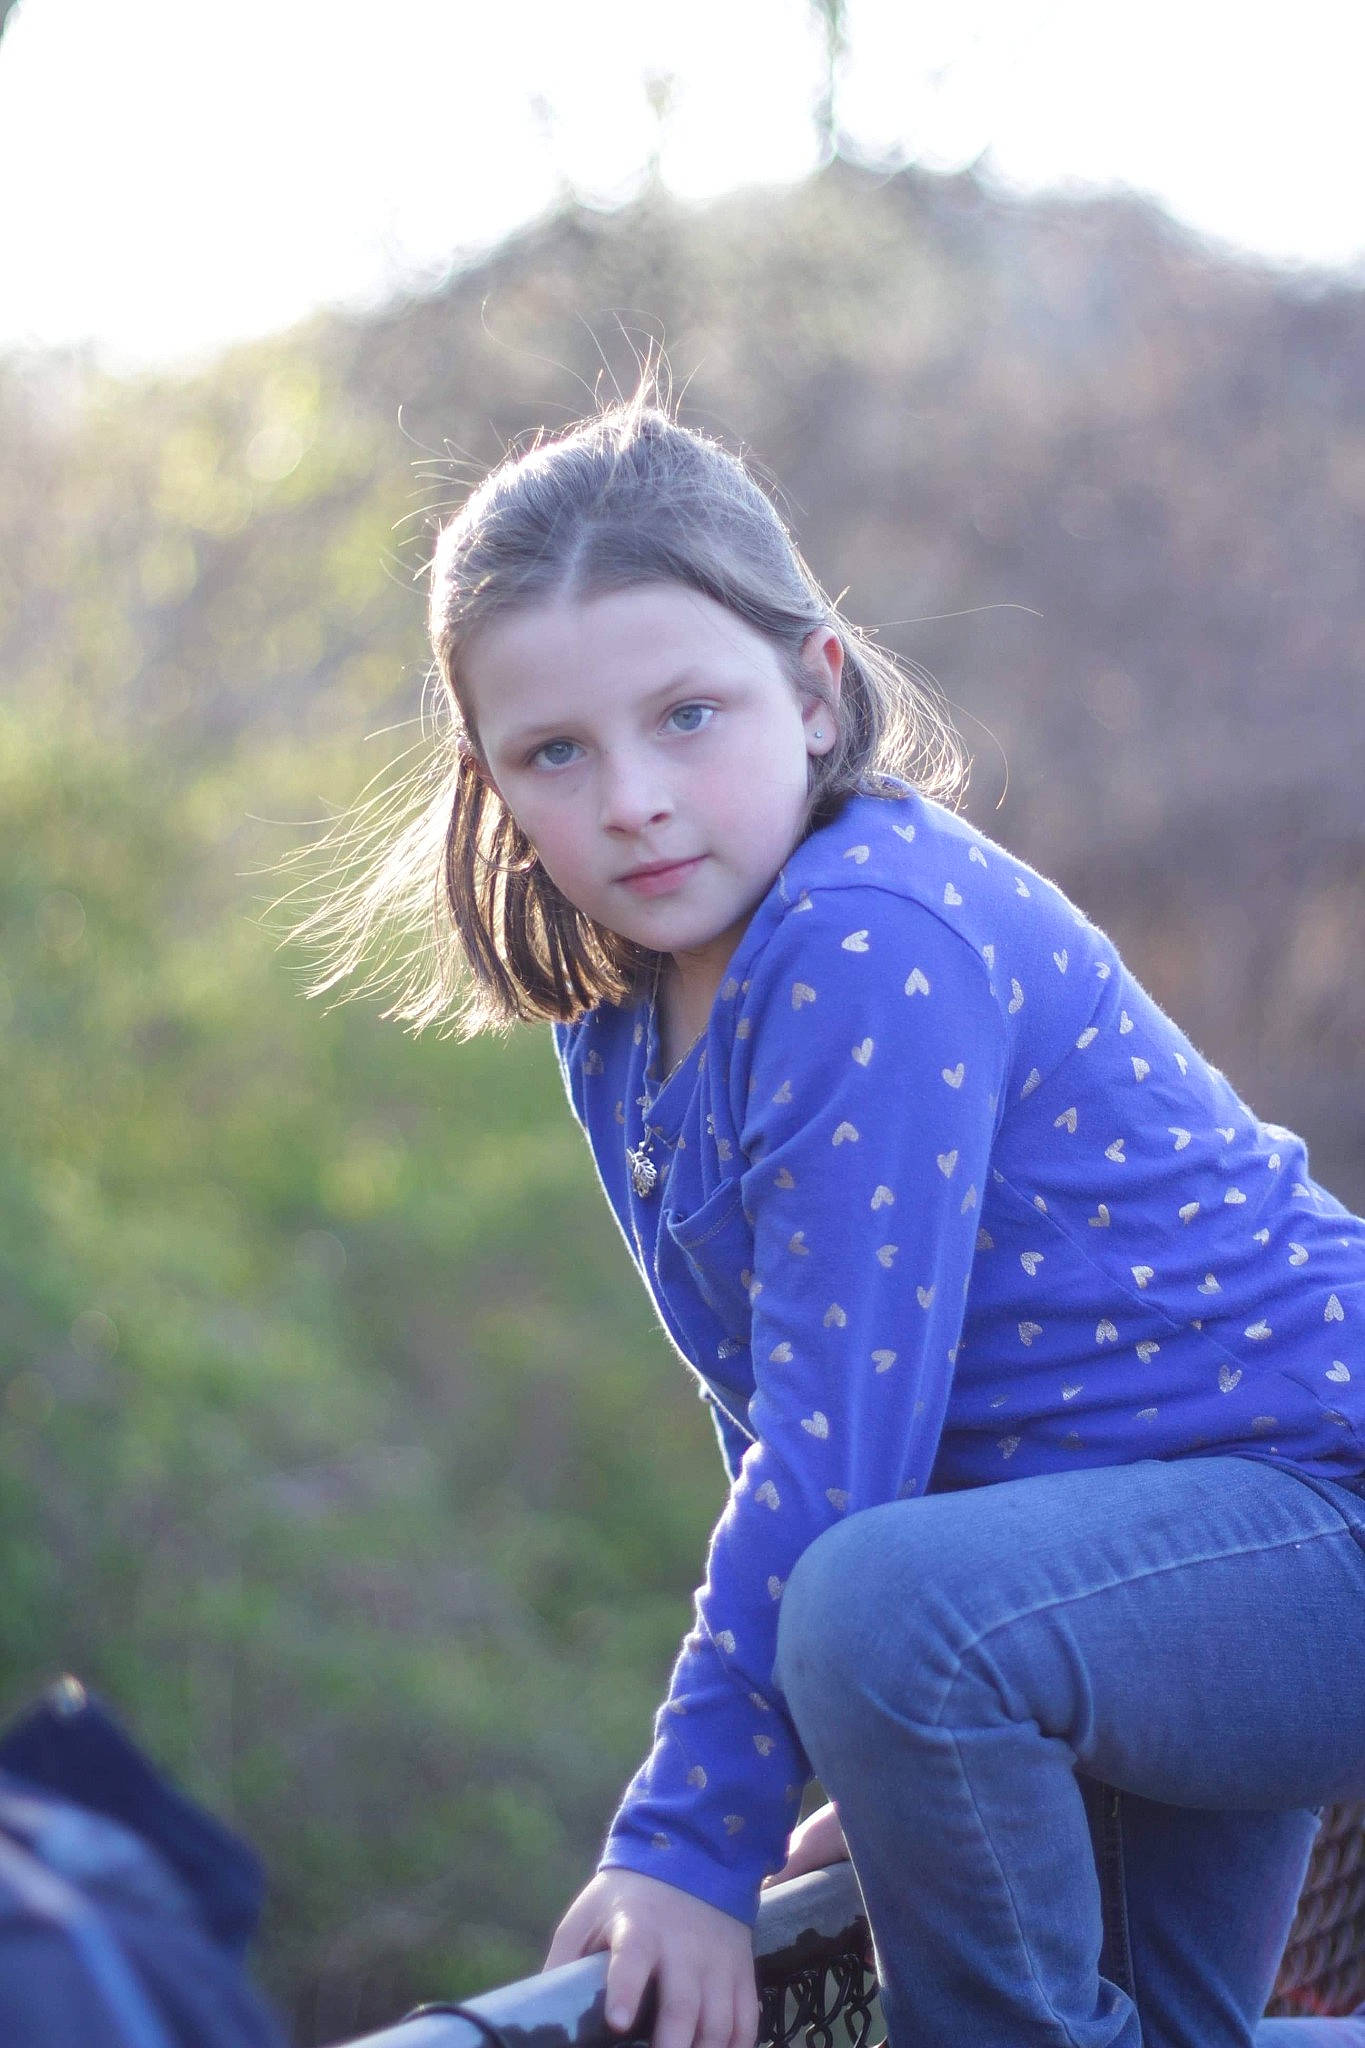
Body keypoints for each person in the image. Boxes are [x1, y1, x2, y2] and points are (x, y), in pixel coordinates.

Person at [298, 383, 1365, 2048]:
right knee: (1159, 2018)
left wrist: (692, 1837)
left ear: (814, 691)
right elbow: (770, 1410)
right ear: (490, 783)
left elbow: (831, 1458)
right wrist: (887, 1754)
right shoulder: (620, 1033)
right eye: (555, 753)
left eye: (687, 716)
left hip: (1305, 1528)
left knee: (875, 1611)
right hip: (1108, 1577)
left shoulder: (871, 936)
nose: (632, 796)